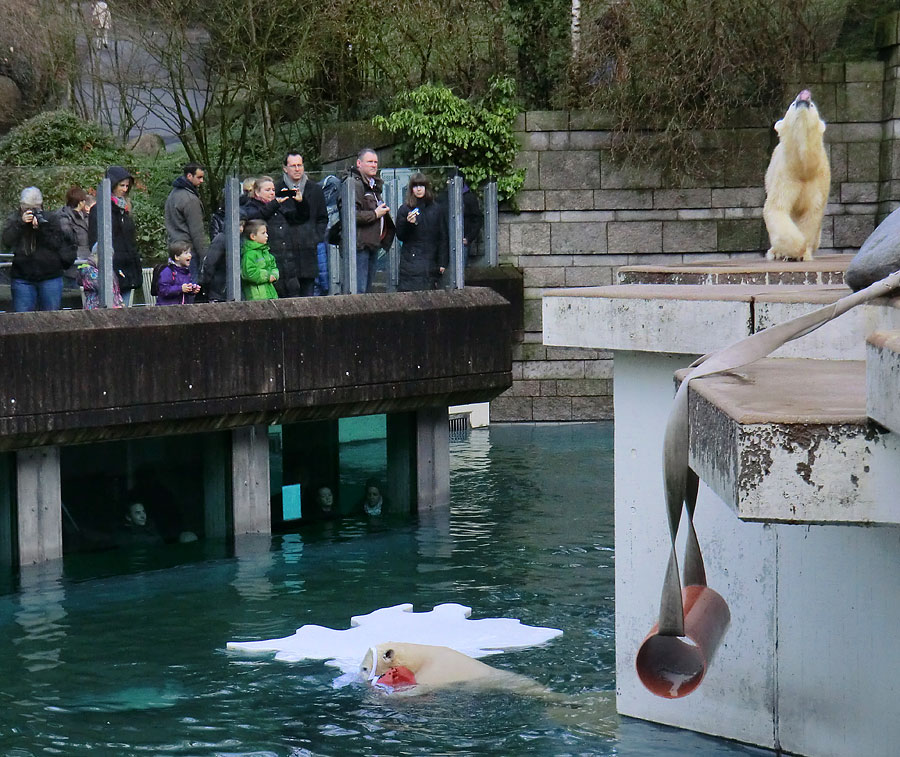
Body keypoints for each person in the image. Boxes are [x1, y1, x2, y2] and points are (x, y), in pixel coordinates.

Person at [1, 187, 76, 312]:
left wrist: (42, 228)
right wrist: (21, 223)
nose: (31, 211)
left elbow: (57, 244)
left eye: (35, 208)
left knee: (51, 318)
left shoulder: (51, 219)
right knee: (22, 319)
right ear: (21, 206)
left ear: (41, 205)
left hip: (50, 277)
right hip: (22, 277)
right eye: (27, 208)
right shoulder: (14, 219)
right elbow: (6, 242)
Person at [268, 151, 328, 298]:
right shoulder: (276, 189)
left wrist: (315, 237)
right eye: (293, 165)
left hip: (308, 250)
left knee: (308, 296)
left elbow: (322, 218)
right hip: (284, 252)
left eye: (299, 165)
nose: (297, 169)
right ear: (285, 168)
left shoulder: (315, 190)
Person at [88, 166, 142, 306]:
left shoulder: (124, 209)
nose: (124, 189)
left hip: (127, 267)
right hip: (111, 268)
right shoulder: (99, 209)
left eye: (127, 186)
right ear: (112, 185)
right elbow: (95, 242)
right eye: (121, 185)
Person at [345, 147, 395, 293]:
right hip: (359, 247)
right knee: (359, 292)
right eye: (370, 162)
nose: (374, 165)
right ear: (359, 163)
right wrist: (375, 214)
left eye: (376, 162)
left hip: (372, 245)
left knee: (367, 292)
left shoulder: (373, 186)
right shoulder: (353, 184)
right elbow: (350, 215)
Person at [395, 173, 448, 292]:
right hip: (411, 262)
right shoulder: (405, 209)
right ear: (411, 189)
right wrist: (409, 223)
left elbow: (443, 237)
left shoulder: (436, 209)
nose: (418, 189)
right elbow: (400, 235)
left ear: (426, 188)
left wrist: (442, 262)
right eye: (415, 186)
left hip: (431, 261)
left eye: (421, 186)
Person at [164, 163, 207, 280]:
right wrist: (204, 256)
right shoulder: (190, 199)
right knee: (190, 287)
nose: (202, 181)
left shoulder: (173, 194)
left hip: (174, 247)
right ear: (189, 176)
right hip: (188, 251)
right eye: (199, 177)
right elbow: (197, 231)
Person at [55, 186, 93, 289]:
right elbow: (68, 236)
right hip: (73, 266)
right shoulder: (63, 216)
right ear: (80, 202)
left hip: (87, 265)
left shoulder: (86, 216)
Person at [200, 218, 244, 302]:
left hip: (229, 289)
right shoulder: (221, 240)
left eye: (243, 225)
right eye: (239, 225)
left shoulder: (240, 241)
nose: (241, 229)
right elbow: (209, 264)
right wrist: (207, 285)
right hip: (218, 289)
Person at [240, 219, 279, 300]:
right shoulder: (249, 254)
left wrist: (274, 275)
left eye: (266, 232)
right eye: (263, 233)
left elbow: (273, 267)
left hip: (270, 293)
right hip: (256, 296)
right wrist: (268, 276)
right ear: (253, 236)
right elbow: (249, 273)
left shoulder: (266, 252)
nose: (267, 235)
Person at [78, 242, 124, 309]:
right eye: (107, 256)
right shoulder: (88, 270)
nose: (109, 260)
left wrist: (119, 303)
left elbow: (115, 291)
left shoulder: (108, 270)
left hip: (112, 307)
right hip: (95, 308)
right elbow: (103, 286)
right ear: (96, 255)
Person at [155, 241, 200, 306]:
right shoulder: (167, 271)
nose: (190, 255)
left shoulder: (186, 272)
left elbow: (184, 290)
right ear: (177, 257)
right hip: (166, 309)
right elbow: (163, 290)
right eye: (186, 253)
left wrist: (192, 289)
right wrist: (180, 288)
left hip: (182, 309)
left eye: (190, 252)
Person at [462, 183, 483, 265]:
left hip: (463, 240)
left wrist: (468, 238)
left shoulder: (469, 198)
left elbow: (477, 219)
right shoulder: (445, 197)